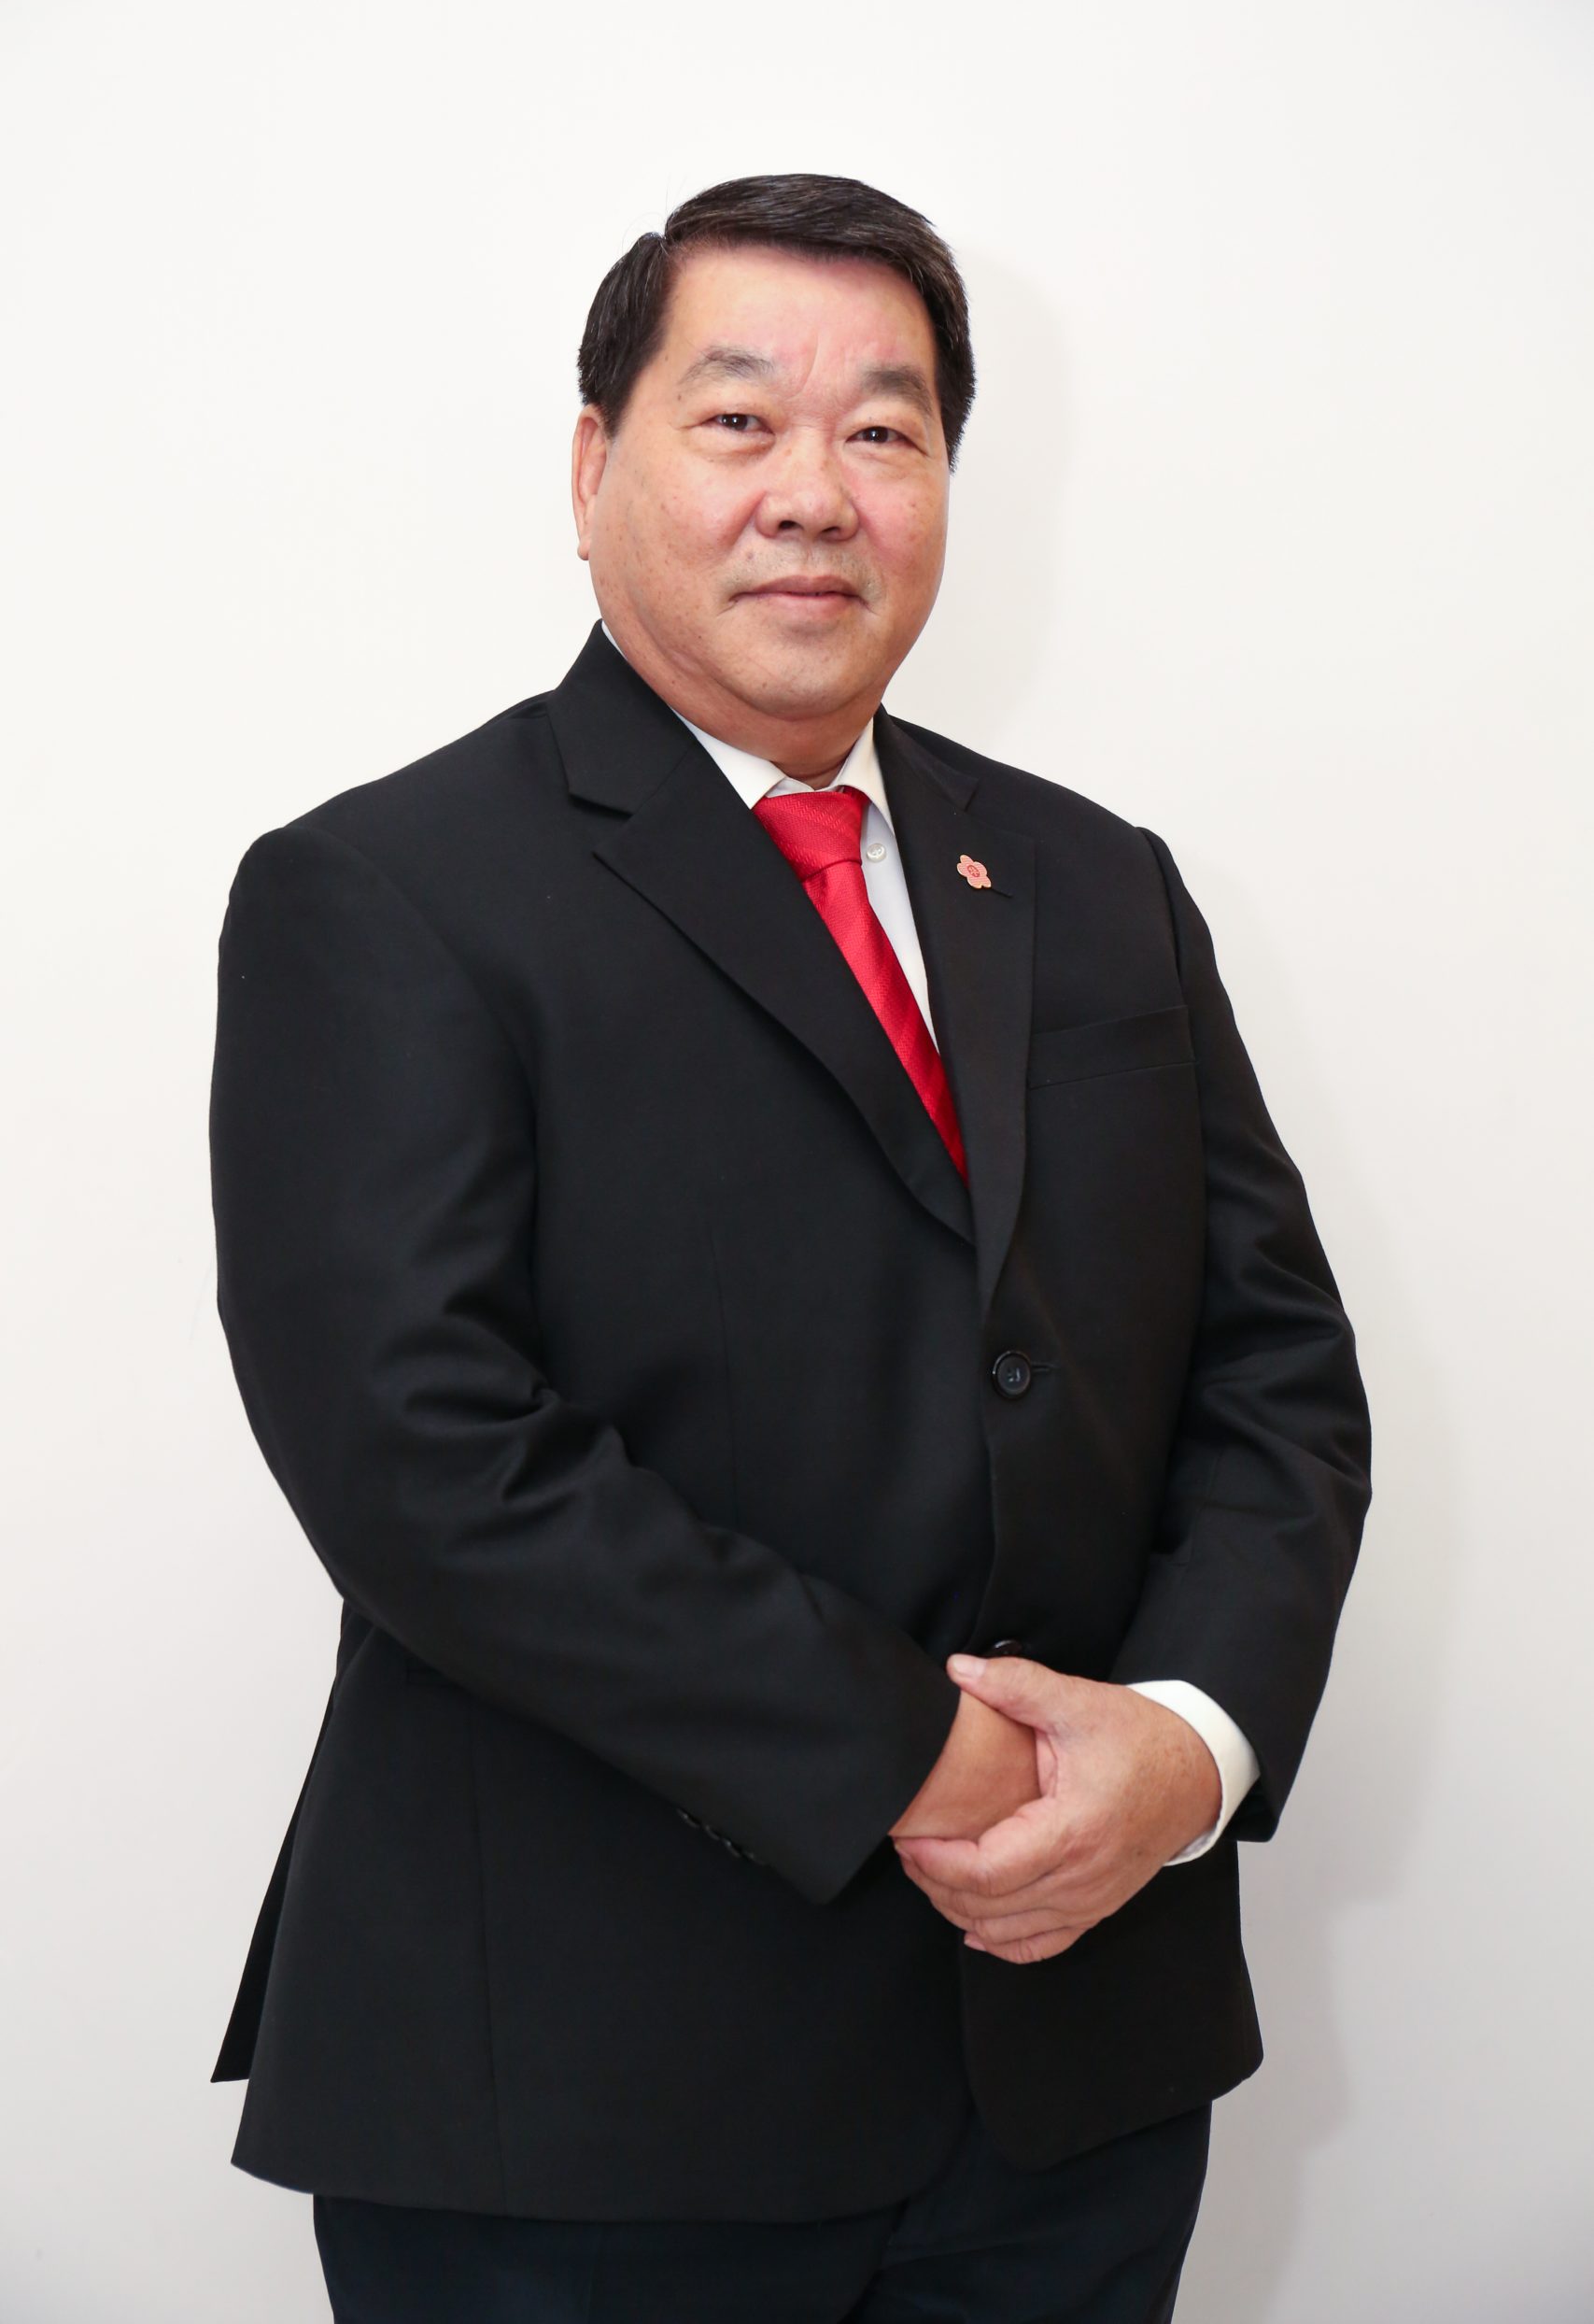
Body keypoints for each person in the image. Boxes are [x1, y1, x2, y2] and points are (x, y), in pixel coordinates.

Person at [207, 172, 1371, 2323]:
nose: (814, 493)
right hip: (575, 2116)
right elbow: (420, 1454)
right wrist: (918, 1748)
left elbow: (1270, 1375)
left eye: (884, 429)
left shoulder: (1094, 882)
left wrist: (1185, 1738)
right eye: (736, 419)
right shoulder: (384, 890)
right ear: (593, 467)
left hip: (1068, 2085)